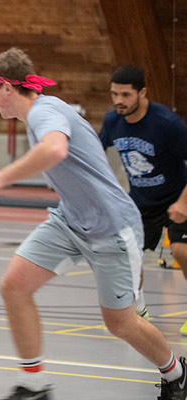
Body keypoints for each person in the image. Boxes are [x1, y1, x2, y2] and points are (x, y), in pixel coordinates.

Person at [0, 48, 186, 400]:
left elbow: (55, 150)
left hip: (112, 227)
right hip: (70, 219)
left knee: (120, 323)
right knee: (13, 286)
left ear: (6, 87)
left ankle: (177, 373)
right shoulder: (36, 116)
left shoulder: (45, 111)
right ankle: (35, 387)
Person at [99, 65, 187, 332]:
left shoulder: (166, 124)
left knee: (181, 250)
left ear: (142, 92)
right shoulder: (112, 121)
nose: (118, 101)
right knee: (126, 253)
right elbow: (94, 152)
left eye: (125, 95)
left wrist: (183, 203)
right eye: (114, 94)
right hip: (140, 200)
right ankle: (139, 310)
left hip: (178, 197)